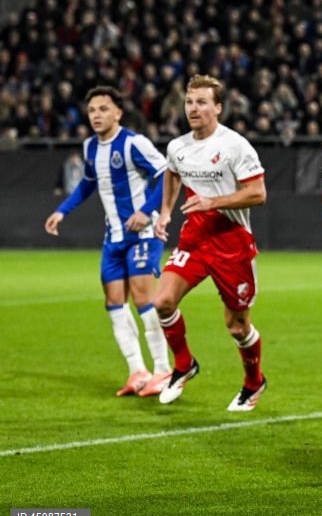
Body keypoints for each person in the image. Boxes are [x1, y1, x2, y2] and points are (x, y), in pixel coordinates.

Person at [44, 86, 171, 397]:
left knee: (143, 299)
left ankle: (163, 369)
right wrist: (62, 211)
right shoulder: (90, 147)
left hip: (142, 234)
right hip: (113, 237)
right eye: (92, 110)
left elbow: (166, 174)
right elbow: (88, 184)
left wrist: (147, 211)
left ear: (118, 112)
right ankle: (137, 371)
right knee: (114, 303)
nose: (96, 115)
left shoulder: (133, 143)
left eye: (103, 109)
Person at [151, 74, 268, 412]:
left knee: (236, 325)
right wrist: (165, 213)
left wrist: (212, 202)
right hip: (196, 237)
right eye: (189, 102)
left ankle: (253, 381)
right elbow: (172, 172)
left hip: (232, 242)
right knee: (162, 301)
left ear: (218, 107)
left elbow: (258, 193)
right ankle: (184, 364)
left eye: (202, 102)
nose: (194, 108)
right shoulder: (178, 147)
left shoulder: (234, 146)